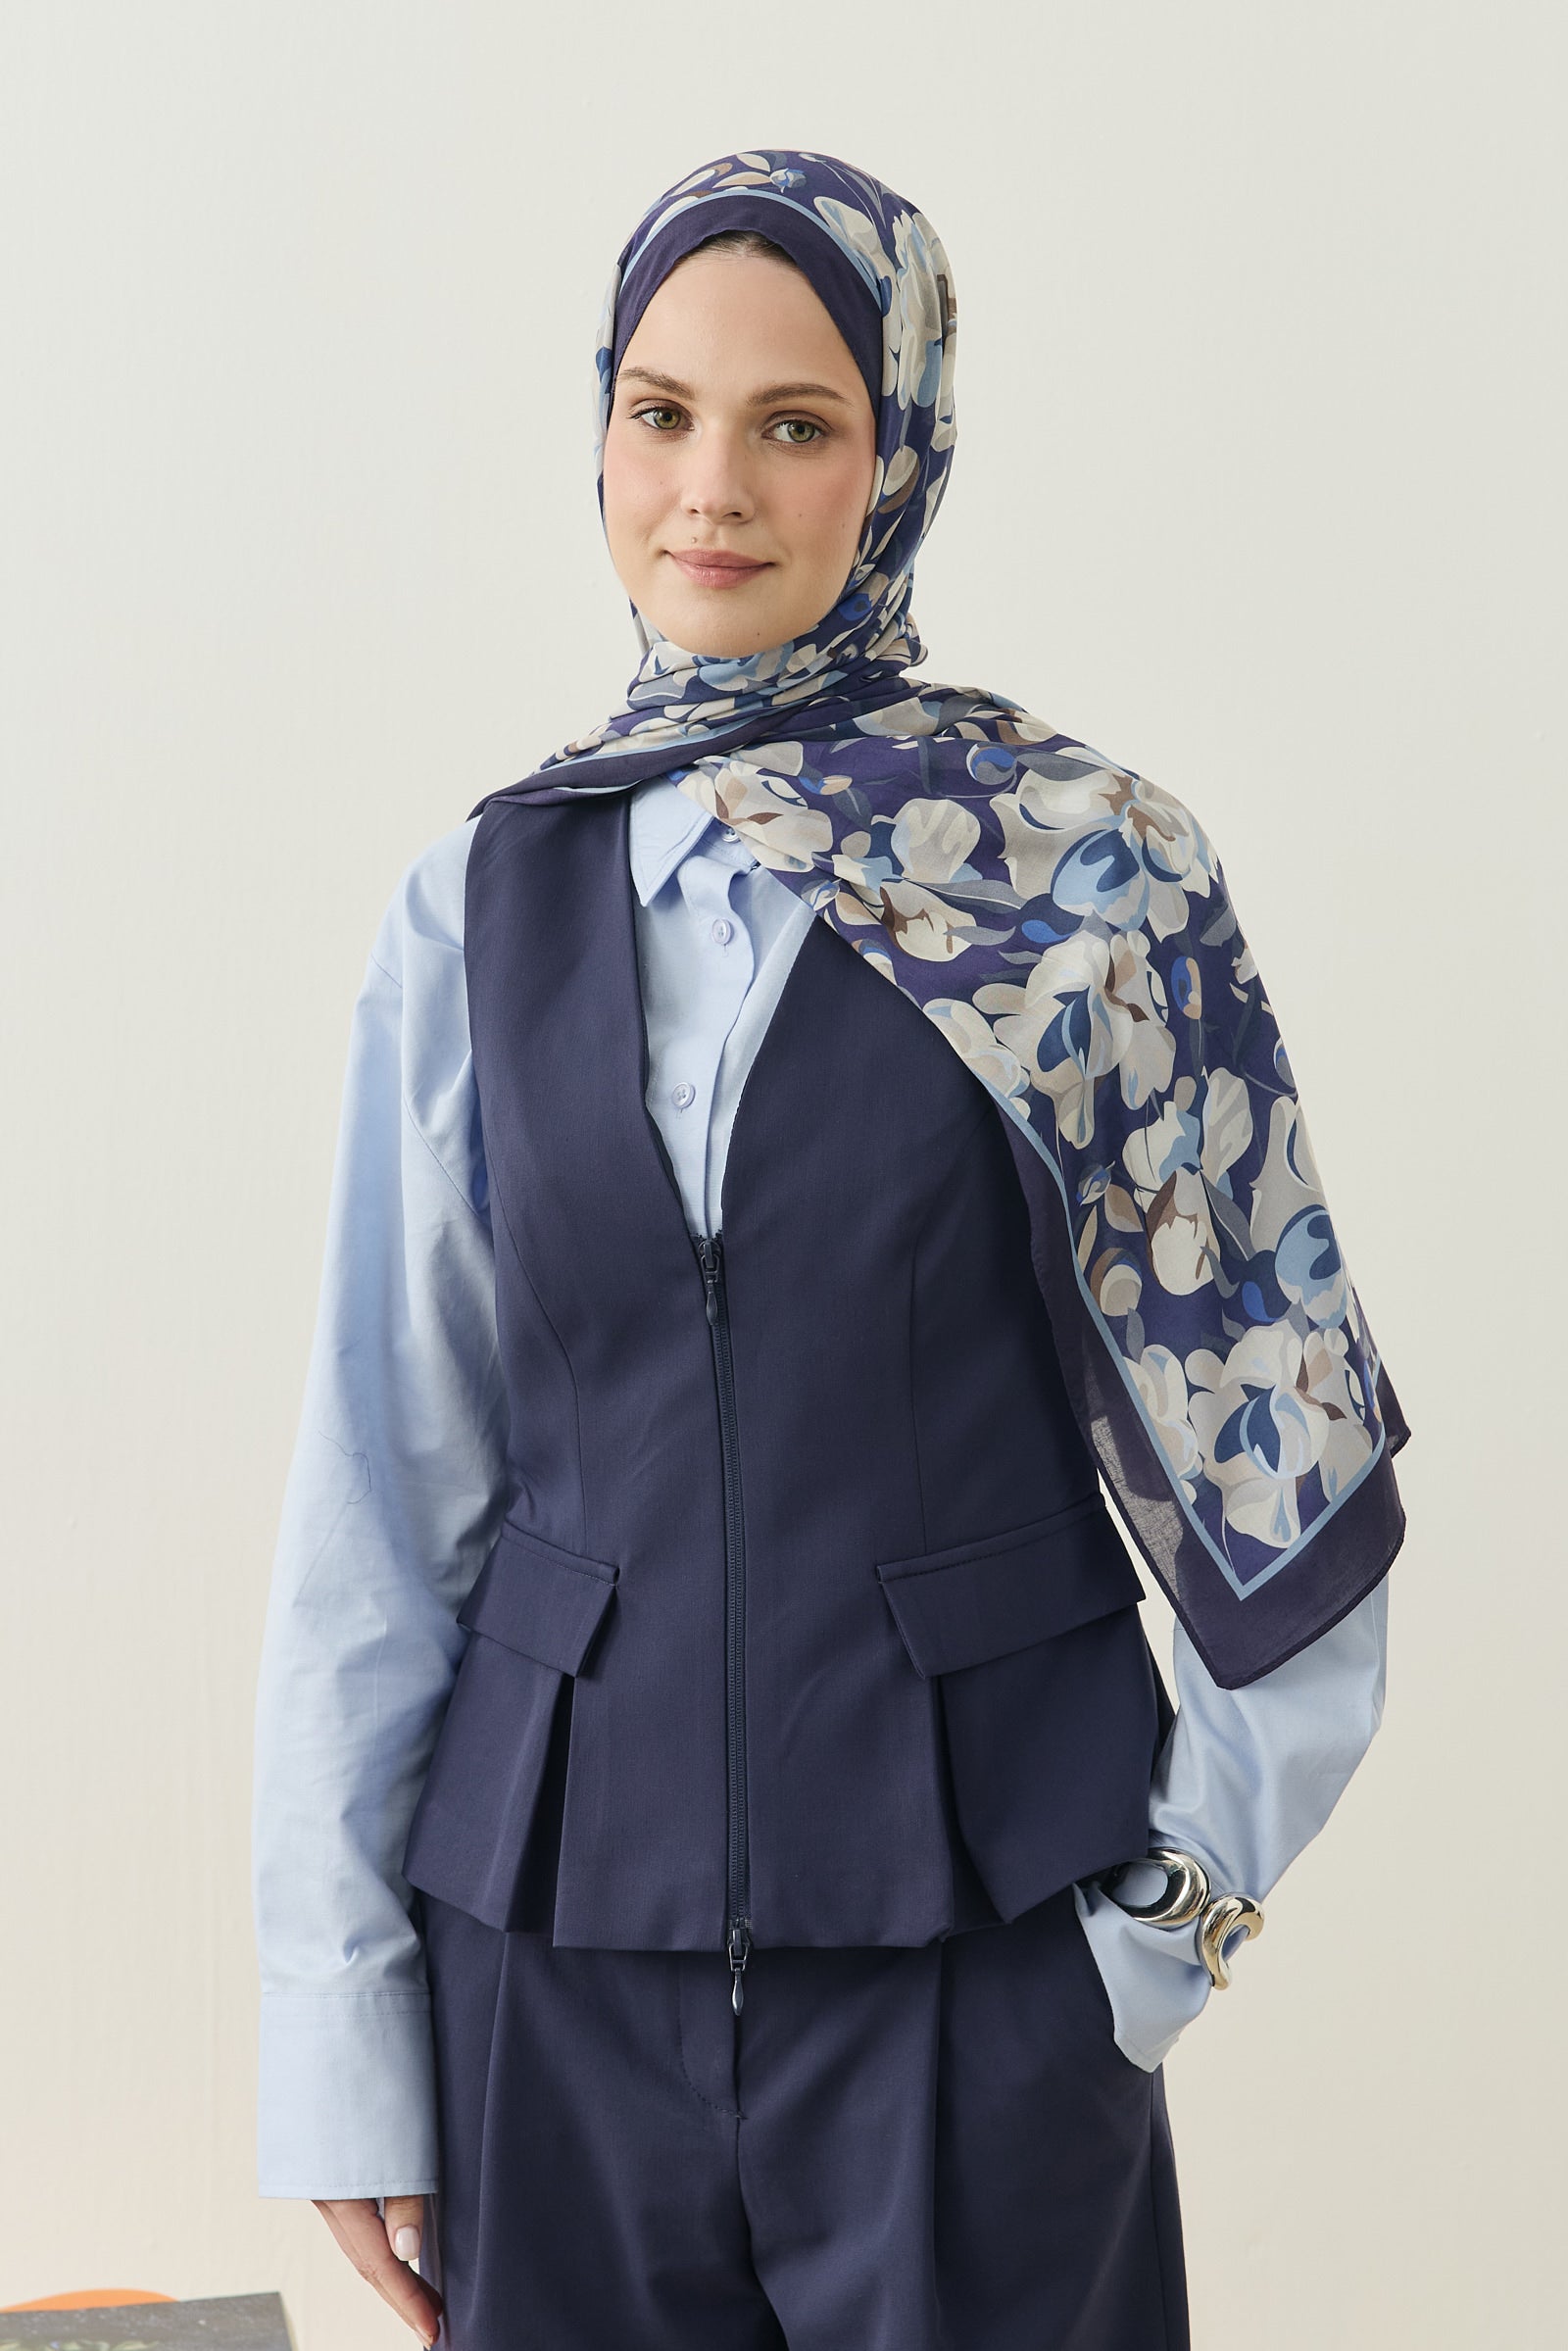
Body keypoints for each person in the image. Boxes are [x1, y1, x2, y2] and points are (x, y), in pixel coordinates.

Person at [251, 148, 1409, 2350]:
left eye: (795, 423)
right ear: (599, 427)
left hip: (978, 1980)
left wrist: (1151, 1949)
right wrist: (341, 2029)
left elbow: (1290, 1459)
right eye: (661, 411)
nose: (711, 486)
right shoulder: (476, 902)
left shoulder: (1085, 881)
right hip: (544, 1986)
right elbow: (383, 1504)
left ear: (901, 456)